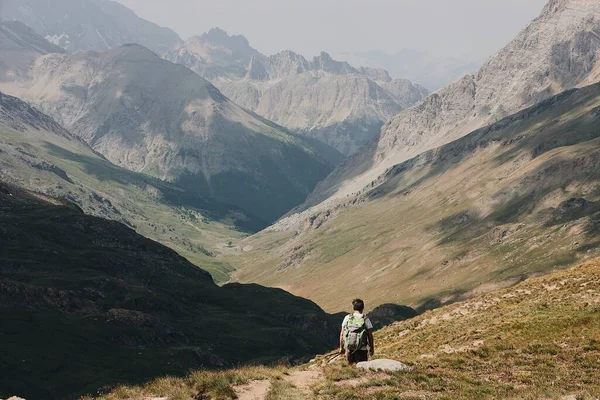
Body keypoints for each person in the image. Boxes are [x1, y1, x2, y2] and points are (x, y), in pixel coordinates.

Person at [339, 298, 375, 364]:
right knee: (361, 370)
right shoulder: (365, 319)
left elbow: (342, 334)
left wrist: (341, 347)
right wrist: (371, 348)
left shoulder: (347, 318)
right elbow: (370, 335)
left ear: (354, 307)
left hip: (349, 349)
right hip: (362, 350)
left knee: (351, 370)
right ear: (362, 307)